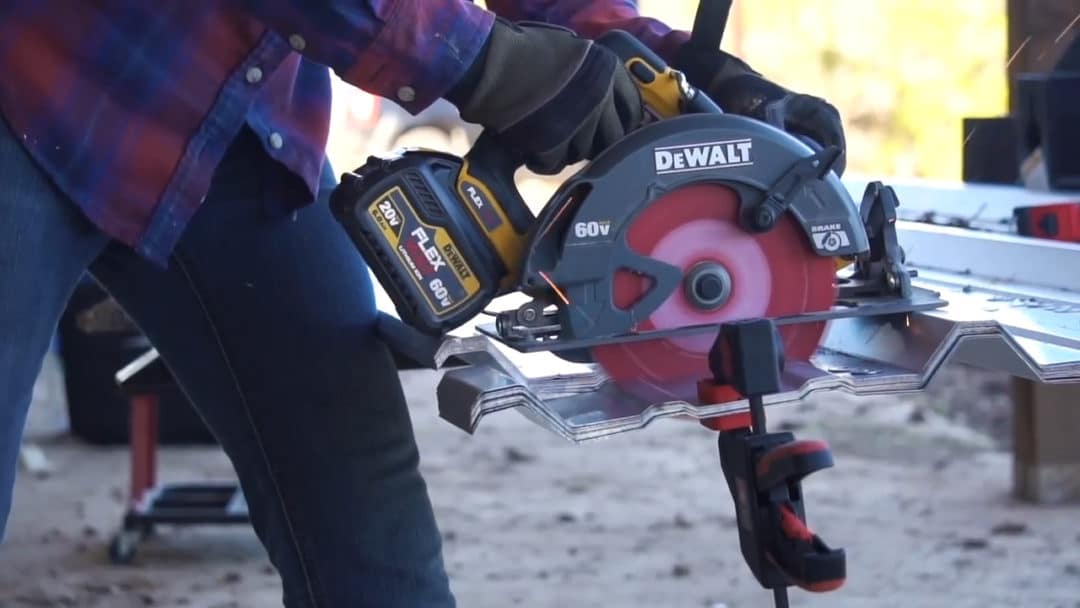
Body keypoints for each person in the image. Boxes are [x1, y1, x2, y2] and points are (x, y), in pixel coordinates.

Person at [0, 1, 845, 606]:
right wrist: (488, 65)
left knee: (365, 521)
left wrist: (674, 70)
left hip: (227, 127)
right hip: (30, 76)